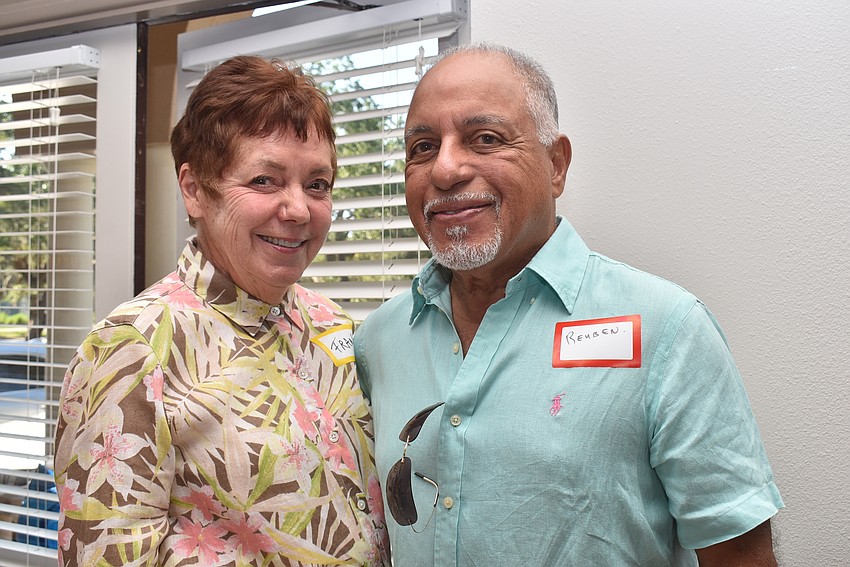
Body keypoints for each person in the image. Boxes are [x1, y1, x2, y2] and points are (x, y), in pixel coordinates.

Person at [353, 43, 783, 566]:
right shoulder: (377, 340)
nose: (445, 169)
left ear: (556, 165)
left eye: (485, 138)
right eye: (422, 147)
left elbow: (740, 556)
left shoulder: (668, 330)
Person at [54, 55, 390, 566]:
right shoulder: (131, 349)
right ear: (195, 190)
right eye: (264, 180)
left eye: (317, 184)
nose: (299, 209)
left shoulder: (331, 323)